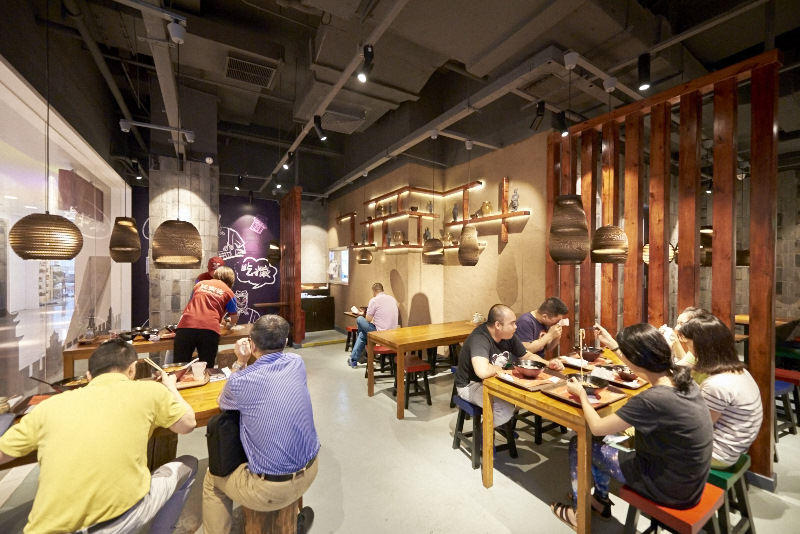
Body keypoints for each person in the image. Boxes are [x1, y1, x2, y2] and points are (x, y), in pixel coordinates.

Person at [0, 339, 197, 534]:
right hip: (118, 523)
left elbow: (3, 452)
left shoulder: (48, 407)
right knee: (189, 463)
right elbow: (188, 424)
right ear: (132, 370)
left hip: (44, 530)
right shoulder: (150, 391)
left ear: (88, 375)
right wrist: (170, 385)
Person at [550, 323, 713, 529]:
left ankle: (578, 514)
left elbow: (597, 426)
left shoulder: (652, 399)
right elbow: (640, 369)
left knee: (579, 444)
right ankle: (600, 501)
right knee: (600, 441)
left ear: (635, 361)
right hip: (691, 478)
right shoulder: (683, 378)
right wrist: (614, 345)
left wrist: (582, 394)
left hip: (669, 487)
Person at [203, 315, 319, 534]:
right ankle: (293, 518)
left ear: (252, 344)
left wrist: (240, 361)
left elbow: (222, 402)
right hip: (311, 470)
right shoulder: (297, 362)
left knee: (212, 479)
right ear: (285, 342)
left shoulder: (240, 381)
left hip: (271, 490)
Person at [454, 304, 564, 427]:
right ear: (498, 325)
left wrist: (548, 363)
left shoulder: (508, 336)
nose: (516, 327)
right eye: (512, 323)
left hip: (493, 379)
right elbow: (483, 372)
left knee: (524, 396)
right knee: (504, 408)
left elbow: (526, 355)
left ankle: (494, 423)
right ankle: (484, 432)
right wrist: (500, 369)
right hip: (470, 384)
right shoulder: (480, 338)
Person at [678, 312, 763, 468]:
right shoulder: (738, 371)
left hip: (718, 454)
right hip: (736, 446)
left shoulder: (716, 385)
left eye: (689, 345)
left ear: (702, 347)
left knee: (647, 432)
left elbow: (697, 428)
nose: (689, 351)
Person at [174, 266, 239, 367]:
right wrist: (229, 325)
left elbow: (192, 304)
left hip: (185, 327)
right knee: (206, 367)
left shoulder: (199, 284)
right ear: (231, 280)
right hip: (209, 330)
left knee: (180, 366)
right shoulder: (229, 292)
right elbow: (234, 318)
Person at [347, 282, 399, 368]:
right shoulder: (392, 299)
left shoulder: (374, 300)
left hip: (380, 333)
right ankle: (354, 359)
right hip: (393, 333)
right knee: (363, 334)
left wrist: (362, 314)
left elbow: (368, 319)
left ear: (374, 291)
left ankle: (354, 360)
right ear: (382, 290)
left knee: (360, 320)